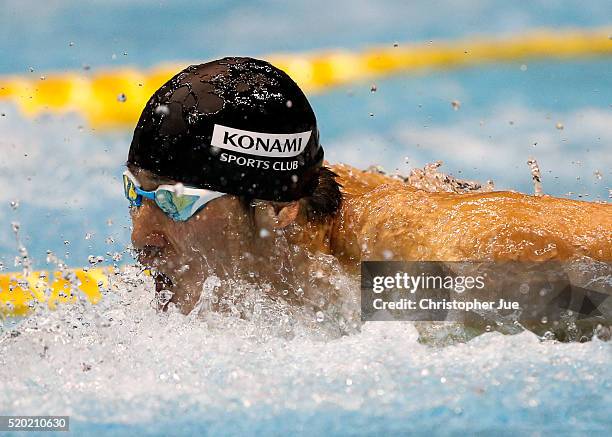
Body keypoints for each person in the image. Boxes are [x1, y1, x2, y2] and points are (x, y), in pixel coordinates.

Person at [125, 57, 612, 325]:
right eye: (136, 195)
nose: (142, 240)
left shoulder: (414, 277)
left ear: (278, 210)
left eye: (176, 202)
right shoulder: (293, 213)